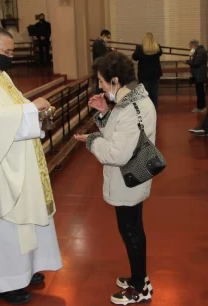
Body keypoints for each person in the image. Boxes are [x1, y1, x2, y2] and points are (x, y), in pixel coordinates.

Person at [0, 27, 62, 305]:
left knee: (24, 220)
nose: (10, 57)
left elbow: (18, 104)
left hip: (16, 160)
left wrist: (38, 112)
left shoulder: (0, 74)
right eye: (7, 52)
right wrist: (30, 108)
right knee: (0, 224)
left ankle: (24, 268)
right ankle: (1, 281)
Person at [74, 52, 156, 305]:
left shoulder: (130, 107)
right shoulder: (131, 100)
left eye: (101, 81)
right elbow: (119, 133)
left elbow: (116, 152)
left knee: (131, 231)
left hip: (126, 178)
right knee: (132, 228)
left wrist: (91, 141)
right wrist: (103, 113)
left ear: (115, 79)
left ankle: (140, 286)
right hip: (132, 177)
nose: (99, 86)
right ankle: (138, 277)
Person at [132, 32, 162, 109]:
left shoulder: (140, 48)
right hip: (155, 74)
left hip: (144, 74)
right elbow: (160, 53)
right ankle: (154, 109)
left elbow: (134, 57)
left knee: (144, 94)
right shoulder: (157, 47)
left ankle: (145, 110)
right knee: (154, 94)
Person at [186, 39, 208, 113]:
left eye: (190, 46)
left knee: (200, 92)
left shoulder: (200, 51)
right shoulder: (199, 51)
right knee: (199, 91)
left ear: (193, 45)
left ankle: (201, 107)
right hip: (198, 74)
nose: (190, 47)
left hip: (200, 74)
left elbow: (196, 63)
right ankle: (201, 107)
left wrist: (187, 61)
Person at [92, 29, 112, 93]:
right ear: (103, 35)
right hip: (99, 65)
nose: (108, 39)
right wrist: (110, 50)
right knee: (99, 83)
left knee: (101, 82)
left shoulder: (101, 43)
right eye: (108, 37)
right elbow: (103, 53)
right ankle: (98, 97)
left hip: (101, 65)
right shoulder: (97, 43)